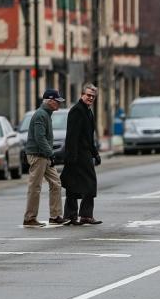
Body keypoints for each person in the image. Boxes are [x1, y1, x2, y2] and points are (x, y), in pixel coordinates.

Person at [22, 89, 67, 227]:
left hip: (44, 155)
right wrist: (50, 153)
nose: (59, 104)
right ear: (50, 101)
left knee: (56, 183)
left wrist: (48, 154)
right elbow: (39, 137)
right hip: (37, 155)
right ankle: (29, 218)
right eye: (57, 101)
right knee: (35, 187)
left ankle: (55, 216)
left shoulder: (47, 114)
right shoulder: (41, 115)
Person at [61, 83, 102, 226]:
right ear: (82, 95)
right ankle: (74, 215)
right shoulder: (77, 111)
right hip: (77, 154)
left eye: (93, 96)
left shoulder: (88, 111)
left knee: (82, 184)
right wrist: (71, 157)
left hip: (85, 153)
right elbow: (72, 136)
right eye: (88, 95)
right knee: (81, 184)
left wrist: (95, 153)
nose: (90, 98)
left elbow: (89, 137)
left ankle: (81, 215)